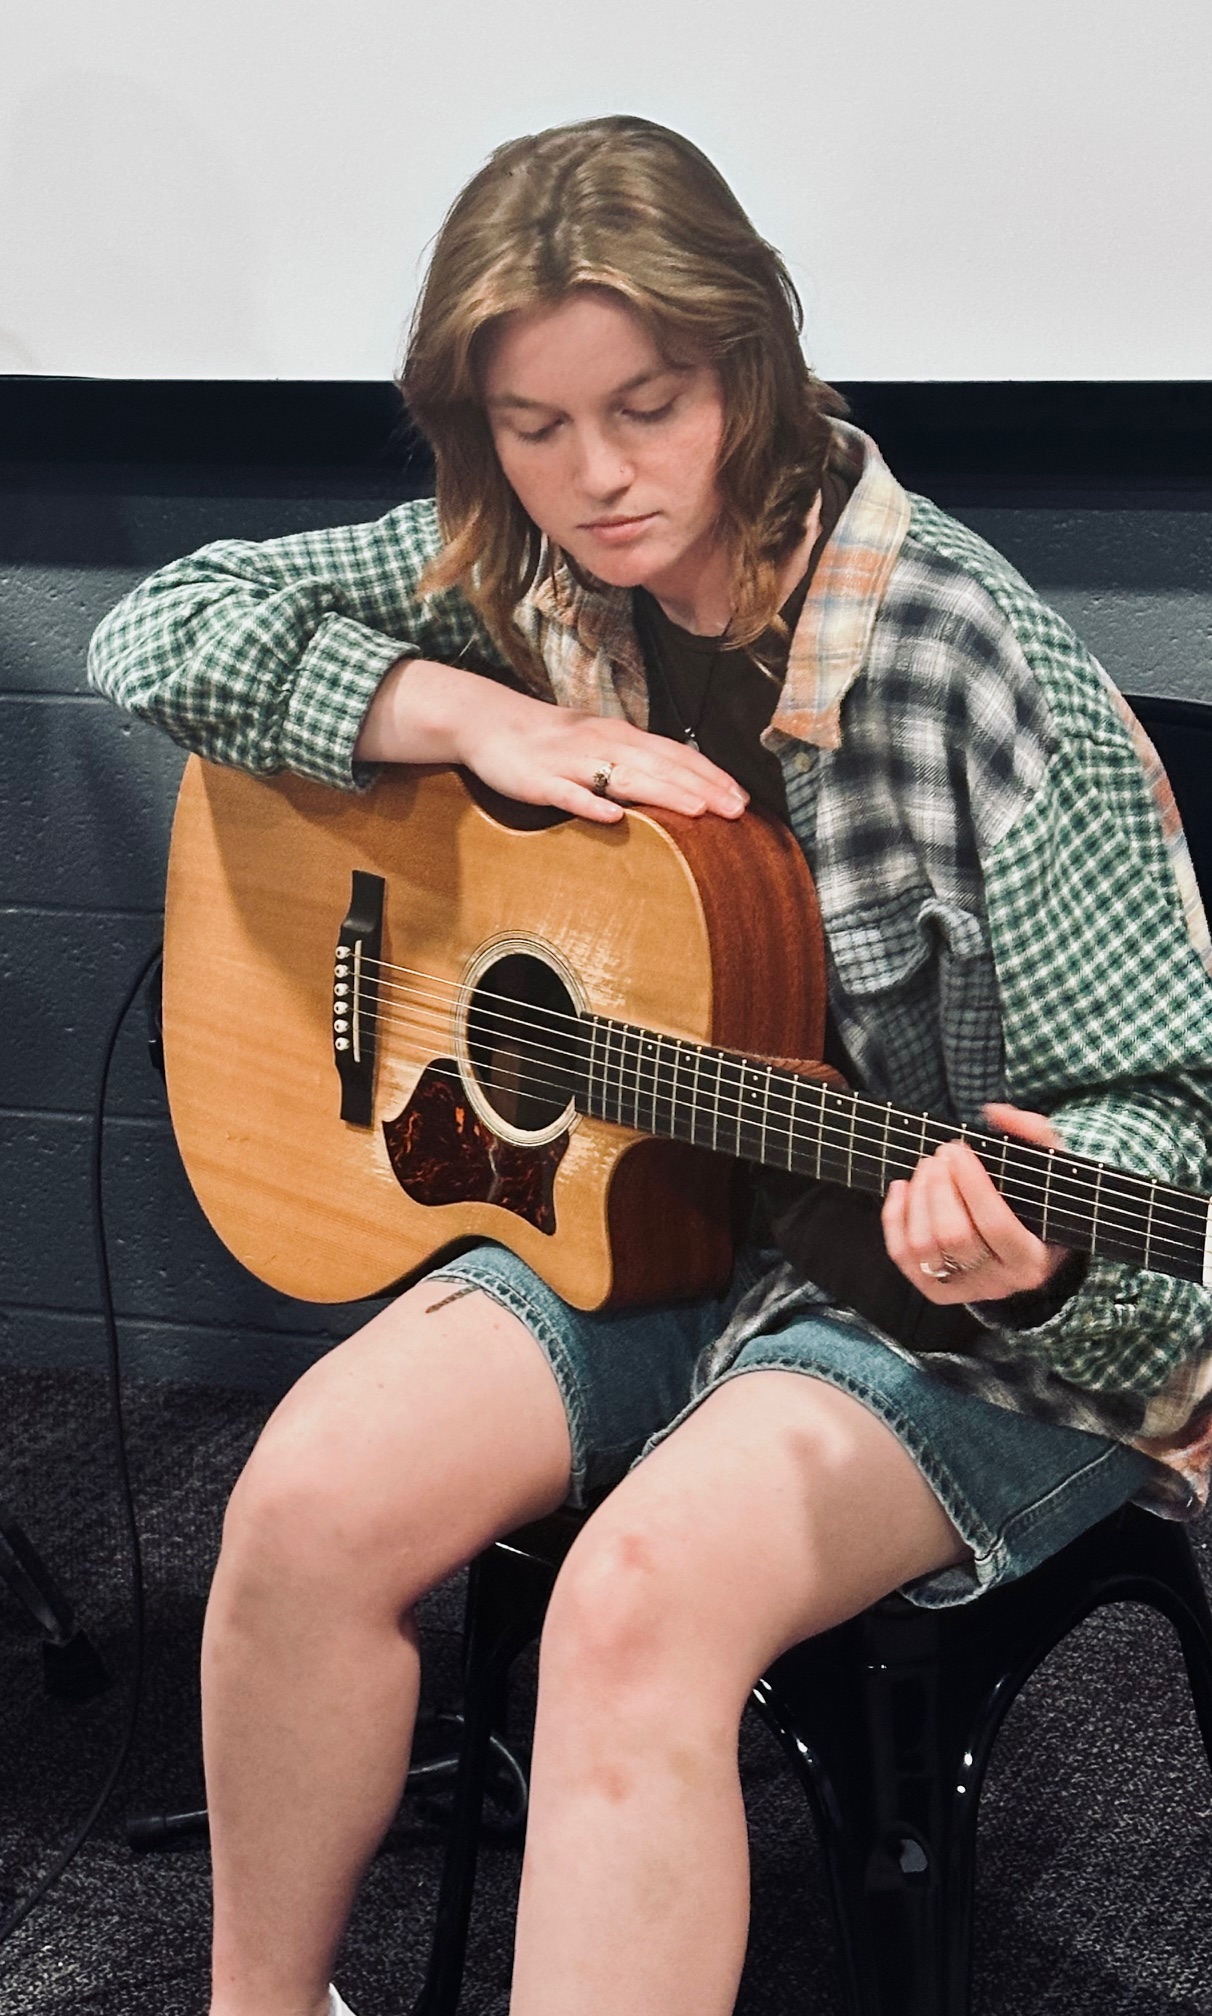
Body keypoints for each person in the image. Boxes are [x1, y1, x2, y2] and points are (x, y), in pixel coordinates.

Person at [88, 116, 1212, 2016]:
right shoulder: (516, 572)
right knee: (296, 1509)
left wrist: (1040, 1227)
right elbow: (156, 626)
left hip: (951, 1321)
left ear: (745, 368)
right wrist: (460, 712)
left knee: (631, 1608)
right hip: (652, 1223)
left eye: (649, 405)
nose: (596, 477)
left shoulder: (967, 656)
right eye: (534, 426)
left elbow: (1169, 1126)